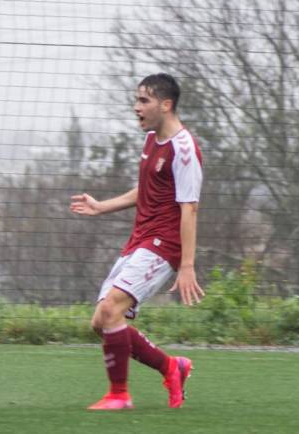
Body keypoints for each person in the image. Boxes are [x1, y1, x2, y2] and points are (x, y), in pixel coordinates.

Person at [69, 73, 204, 411]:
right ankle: (171, 367)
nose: (136, 107)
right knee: (101, 322)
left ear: (166, 104)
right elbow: (146, 189)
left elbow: (189, 208)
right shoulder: (152, 140)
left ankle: (119, 395)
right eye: (137, 100)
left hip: (164, 244)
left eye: (144, 100)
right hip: (140, 240)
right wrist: (102, 206)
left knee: (111, 309)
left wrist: (187, 266)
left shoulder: (184, 149)